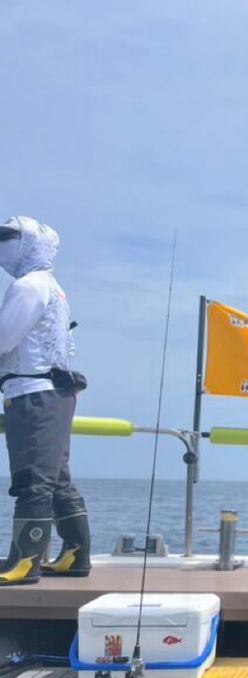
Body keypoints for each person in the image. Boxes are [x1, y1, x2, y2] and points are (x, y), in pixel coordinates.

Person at [0, 216, 90, 585]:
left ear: (28, 244)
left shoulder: (28, 286)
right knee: (55, 478)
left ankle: (24, 561)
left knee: (32, 479)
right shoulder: (52, 285)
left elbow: (4, 340)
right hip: (53, 393)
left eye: (8, 238)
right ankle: (75, 553)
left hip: (33, 394)